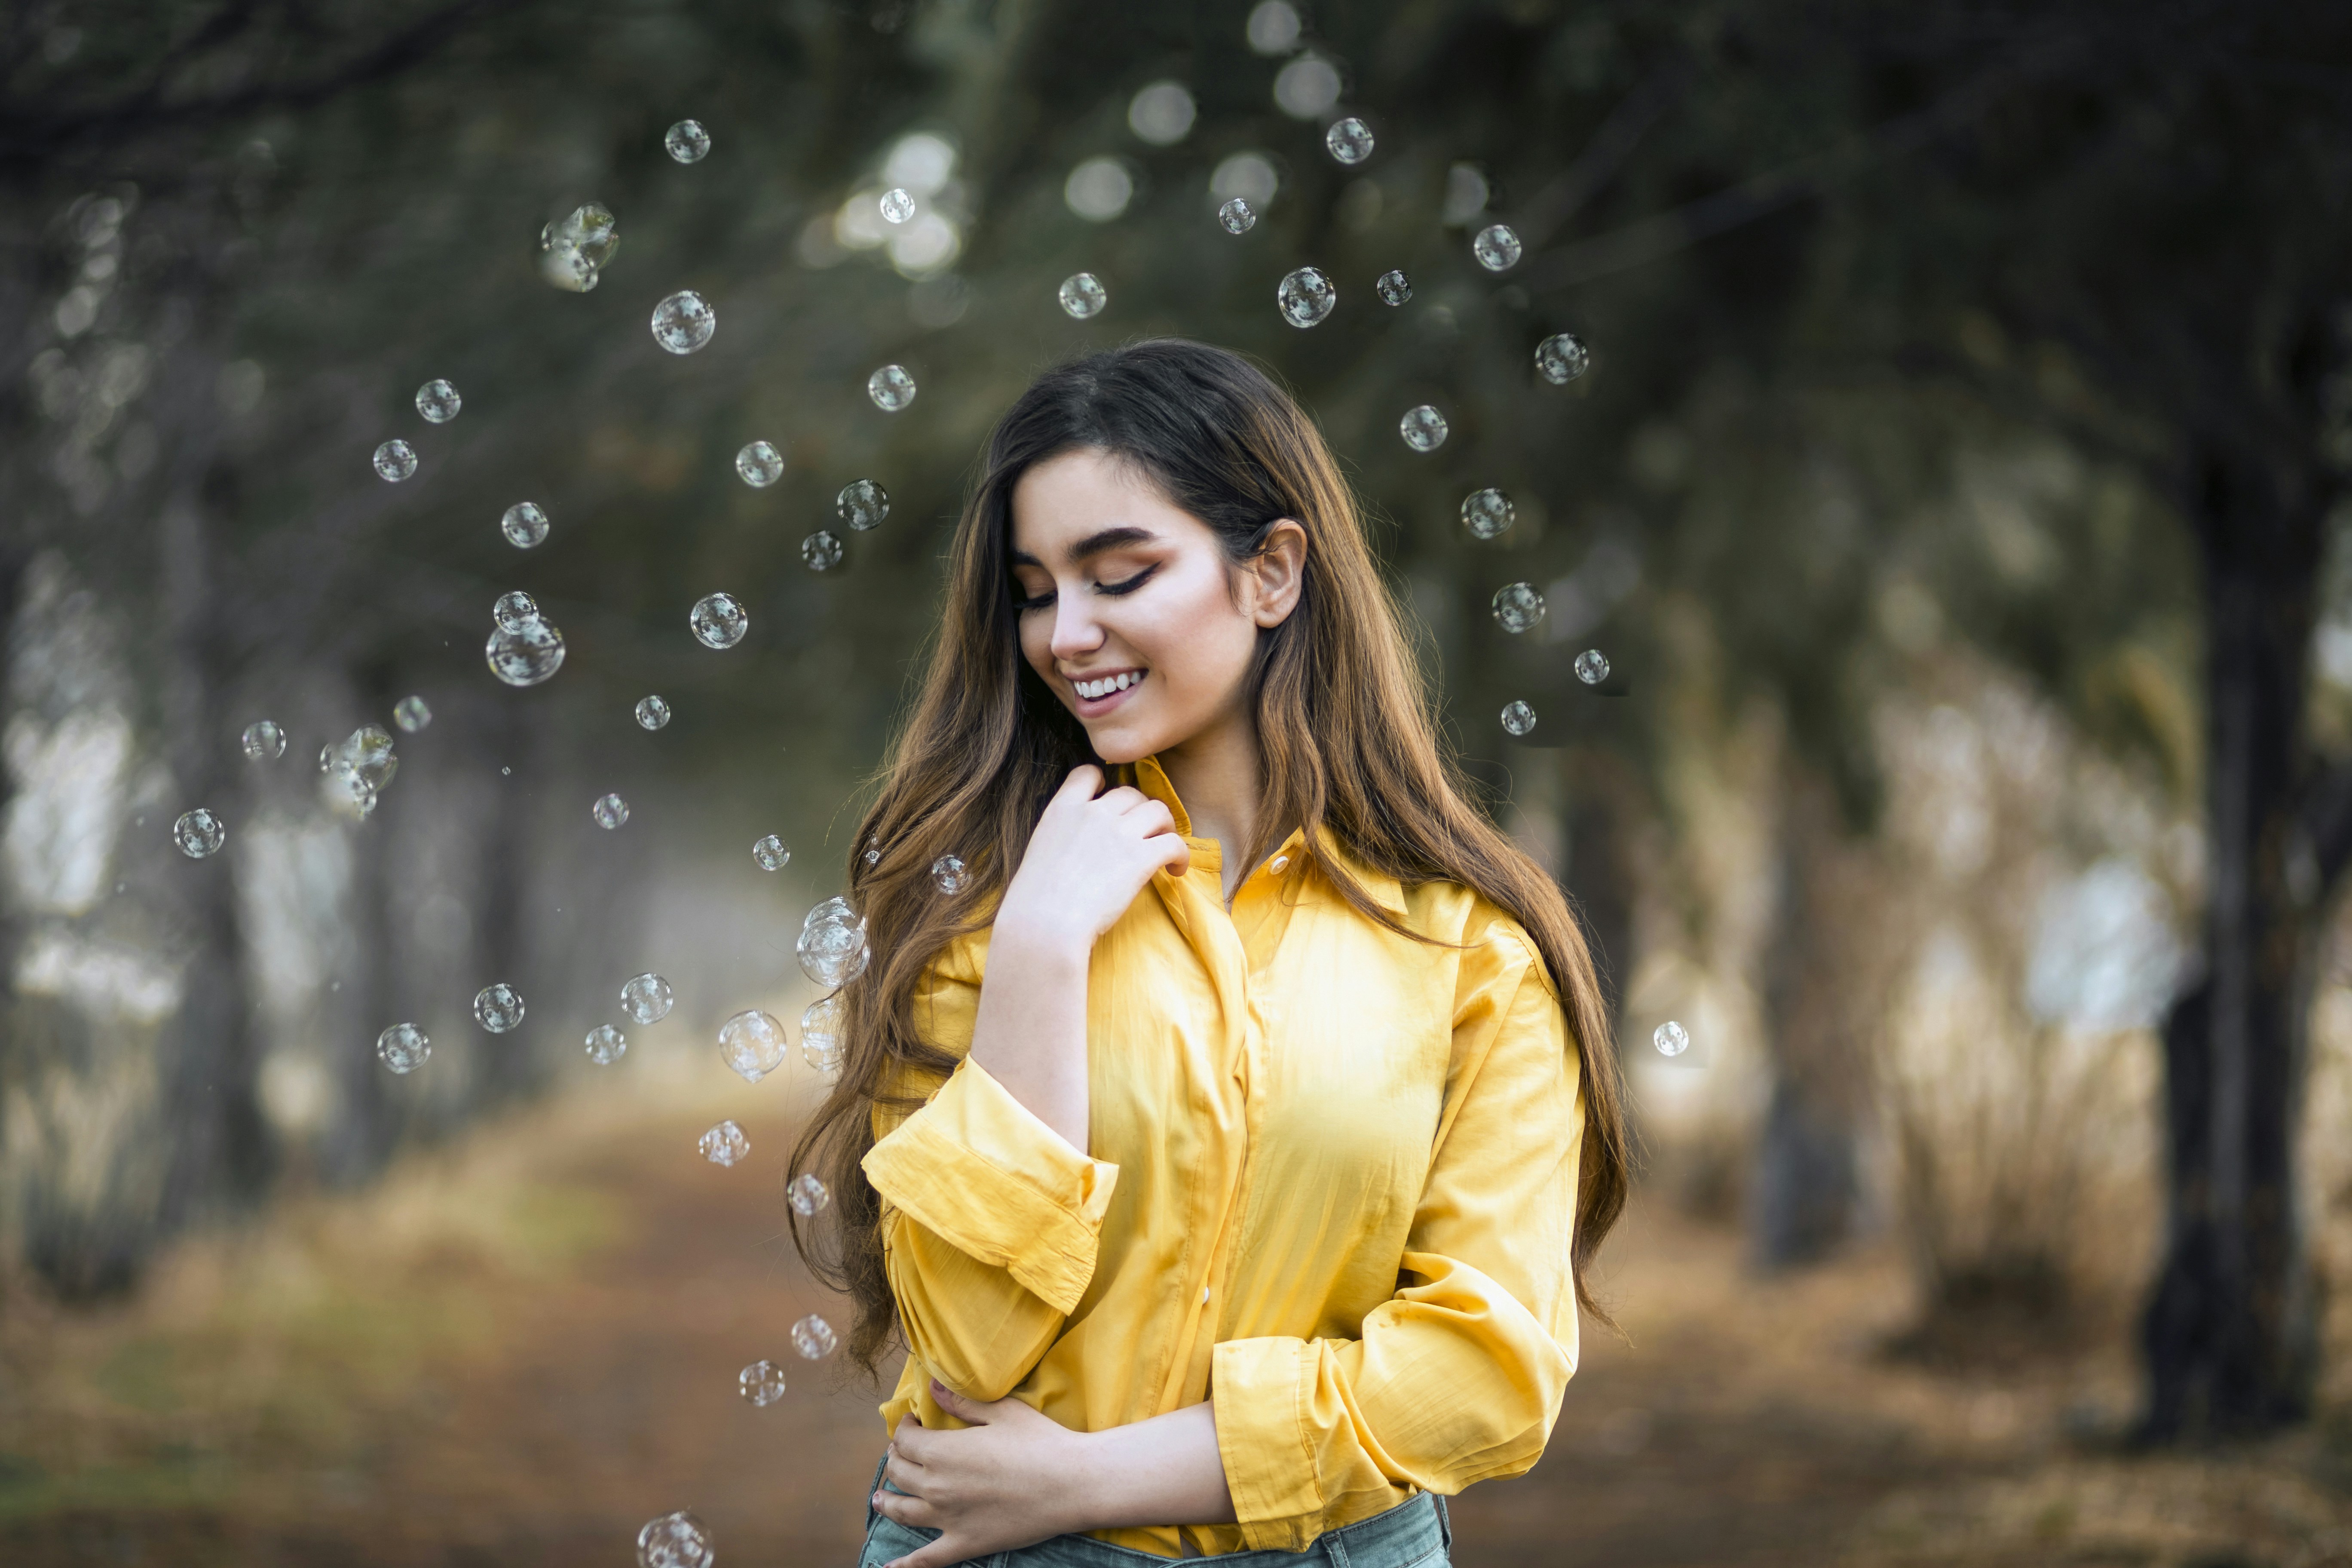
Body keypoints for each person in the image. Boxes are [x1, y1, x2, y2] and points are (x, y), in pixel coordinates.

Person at [788, 339, 1630, 1568]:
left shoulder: (1471, 952)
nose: (1066, 635)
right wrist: (1037, 956)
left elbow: (1484, 1376)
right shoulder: (977, 913)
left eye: (1118, 575)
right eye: (1033, 591)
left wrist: (1086, 1480)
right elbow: (968, 1346)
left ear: (1273, 572)